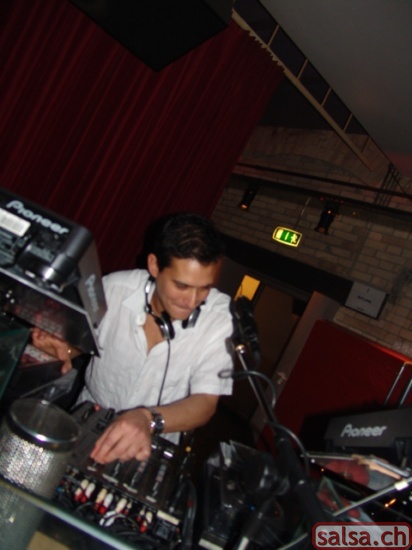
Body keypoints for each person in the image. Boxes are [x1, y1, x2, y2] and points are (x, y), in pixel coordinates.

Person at [32, 213, 234, 464]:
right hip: (87, 423)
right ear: (154, 265)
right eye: (181, 286)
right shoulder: (111, 290)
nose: (192, 301)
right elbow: (81, 345)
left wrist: (148, 420)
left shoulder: (220, 320)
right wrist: (63, 349)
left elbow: (205, 402)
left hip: (154, 443)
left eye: (204, 288)